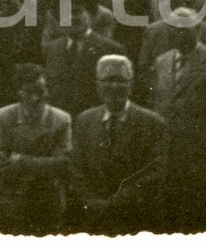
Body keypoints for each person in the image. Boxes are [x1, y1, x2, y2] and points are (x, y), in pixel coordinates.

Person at [151, 7, 206, 232]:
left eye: (184, 29)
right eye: (173, 29)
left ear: (198, 30)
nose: (178, 33)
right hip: (167, 157)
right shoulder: (162, 61)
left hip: (201, 160)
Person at [71, 55, 165, 234]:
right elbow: (76, 168)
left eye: (121, 80)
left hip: (135, 218)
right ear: (98, 84)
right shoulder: (84, 121)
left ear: (131, 84)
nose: (114, 86)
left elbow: (155, 171)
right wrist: (91, 201)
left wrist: (115, 203)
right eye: (108, 80)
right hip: (93, 218)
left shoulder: (152, 123)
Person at [0, 64, 72, 234]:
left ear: (47, 90)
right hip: (13, 198)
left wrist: (21, 160)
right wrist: (45, 162)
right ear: (19, 92)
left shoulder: (61, 120)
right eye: (28, 92)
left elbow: (65, 163)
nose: (35, 98)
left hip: (49, 200)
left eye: (40, 91)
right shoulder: (3, 117)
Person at [43, 0, 126, 118]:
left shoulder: (110, 49)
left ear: (90, 16)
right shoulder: (51, 49)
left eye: (77, 12)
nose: (71, 17)